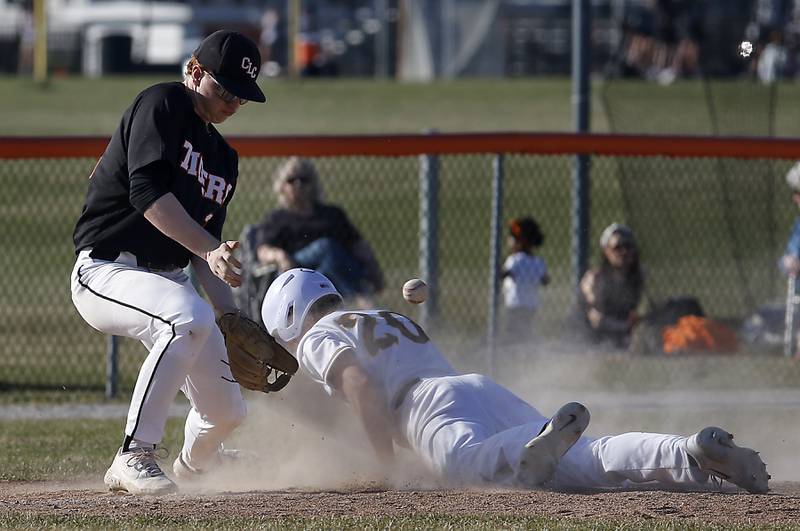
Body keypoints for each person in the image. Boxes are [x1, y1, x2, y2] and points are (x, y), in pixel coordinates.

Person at [260, 268, 770, 493]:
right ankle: (687, 451)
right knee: (589, 455)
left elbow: (361, 387)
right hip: (471, 387)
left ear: (287, 319)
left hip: (424, 408)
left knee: (468, 464)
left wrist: (385, 467)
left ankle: (528, 448)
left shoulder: (315, 337)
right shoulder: (382, 316)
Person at [70, 30, 267, 495]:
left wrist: (233, 316)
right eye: (224, 90)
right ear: (195, 72)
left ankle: (198, 464)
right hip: (107, 270)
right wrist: (208, 253)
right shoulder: (163, 104)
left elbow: (206, 252)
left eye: (242, 98)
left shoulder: (224, 158)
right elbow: (147, 194)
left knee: (227, 412)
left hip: (170, 278)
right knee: (187, 318)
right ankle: (133, 455)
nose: (231, 104)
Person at [254, 157, 384, 306]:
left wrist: (373, 269)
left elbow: (357, 244)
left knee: (329, 264)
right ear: (282, 186)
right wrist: (280, 256)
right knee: (325, 248)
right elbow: (263, 251)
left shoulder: (332, 214)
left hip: (327, 273)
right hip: (298, 269)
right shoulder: (277, 219)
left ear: (313, 184)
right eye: (292, 180)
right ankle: (359, 297)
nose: (299, 184)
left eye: (304, 179)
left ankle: (343, 300)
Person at [573, 223, 644, 349]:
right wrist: (626, 327)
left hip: (617, 336)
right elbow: (596, 320)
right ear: (606, 251)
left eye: (628, 246)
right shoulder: (594, 279)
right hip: (587, 338)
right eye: (617, 247)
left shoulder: (637, 279)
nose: (624, 251)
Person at [500, 216, 550, 344]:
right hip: (531, 306)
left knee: (513, 334)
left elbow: (504, 274)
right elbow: (545, 280)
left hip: (515, 306)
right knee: (525, 332)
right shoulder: (538, 262)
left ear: (520, 240)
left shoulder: (514, 260)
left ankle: (517, 352)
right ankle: (527, 350)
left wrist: (499, 265)